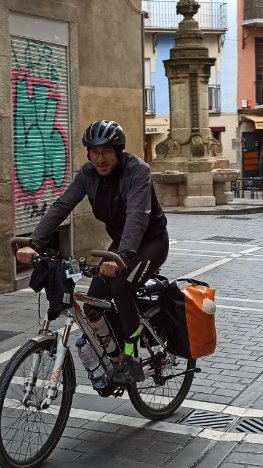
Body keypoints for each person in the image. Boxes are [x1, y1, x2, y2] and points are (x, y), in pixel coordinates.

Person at [14, 120, 168, 385]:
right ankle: (115, 354)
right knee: (93, 304)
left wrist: (124, 258)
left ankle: (132, 358)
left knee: (121, 286)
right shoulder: (87, 174)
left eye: (106, 151)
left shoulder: (137, 171)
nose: (100, 158)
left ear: (117, 152)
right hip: (120, 245)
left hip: (149, 242)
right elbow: (62, 206)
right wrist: (35, 243)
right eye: (94, 152)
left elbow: (137, 218)